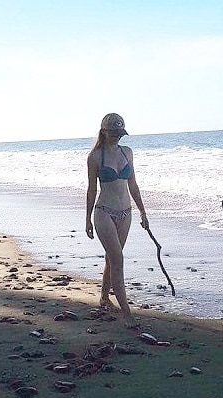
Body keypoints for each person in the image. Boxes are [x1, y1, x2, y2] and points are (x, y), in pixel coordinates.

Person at [86, 113, 148, 328]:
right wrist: (87, 219)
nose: (117, 137)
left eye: (120, 134)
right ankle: (127, 313)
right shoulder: (95, 157)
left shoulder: (127, 152)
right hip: (104, 212)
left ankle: (104, 298)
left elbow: (133, 185)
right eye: (113, 133)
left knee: (111, 259)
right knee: (118, 260)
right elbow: (92, 189)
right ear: (103, 131)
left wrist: (143, 212)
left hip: (126, 212)